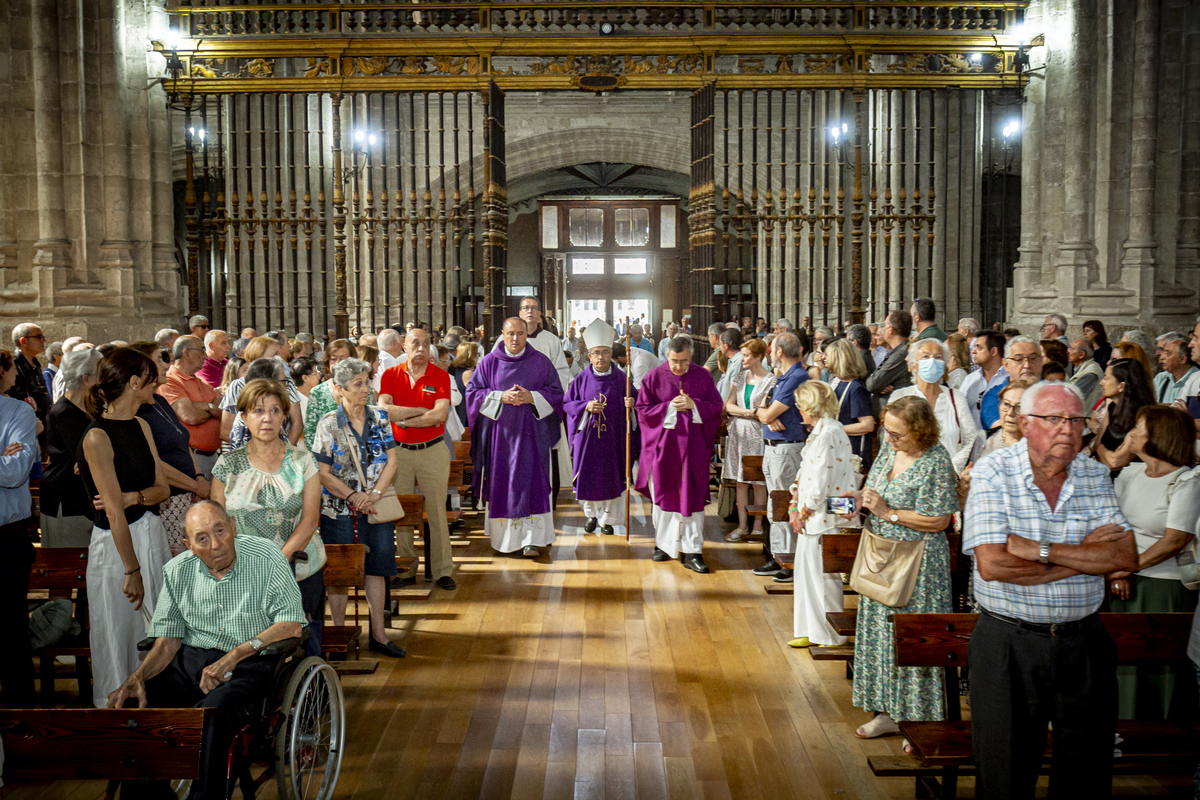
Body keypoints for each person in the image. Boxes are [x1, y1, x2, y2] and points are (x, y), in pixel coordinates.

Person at [963, 381, 1139, 799]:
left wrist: (1039, 551)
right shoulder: (994, 471)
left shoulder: (1094, 474)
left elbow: (1125, 558)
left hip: (1084, 643)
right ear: (1025, 423)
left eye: (1075, 420)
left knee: (1087, 774)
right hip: (1009, 642)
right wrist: (1084, 558)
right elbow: (993, 565)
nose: (1067, 429)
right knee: (1005, 775)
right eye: (1054, 419)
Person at [106, 501, 306, 800]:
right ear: (188, 545)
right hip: (193, 661)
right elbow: (168, 641)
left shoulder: (265, 556)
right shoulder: (177, 571)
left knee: (211, 714)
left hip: (252, 661)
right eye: (202, 538)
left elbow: (292, 625)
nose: (215, 545)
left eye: (220, 530)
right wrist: (137, 675)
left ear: (233, 526)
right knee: (139, 706)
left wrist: (236, 654)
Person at [840, 396, 958, 748]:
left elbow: (939, 520)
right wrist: (859, 499)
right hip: (882, 558)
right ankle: (888, 712)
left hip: (919, 565)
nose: (889, 439)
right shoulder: (890, 451)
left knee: (913, 639)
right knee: (882, 637)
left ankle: (919, 717)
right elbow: (876, 492)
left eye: (897, 434)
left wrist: (890, 512)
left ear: (920, 431)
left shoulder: (936, 461)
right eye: (888, 432)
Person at [78, 347, 172, 708]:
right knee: (118, 632)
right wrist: (131, 569)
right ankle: (115, 710)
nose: (158, 384)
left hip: (151, 533)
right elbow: (114, 514)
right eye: (151, 379)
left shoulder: (142, 424)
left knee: (158, 628)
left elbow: (162, 488)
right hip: (117, 547)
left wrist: (134, 496)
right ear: (134, 383)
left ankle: (156, 702)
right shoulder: (96, 437)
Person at [212, 379, 325, 654]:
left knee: (299, 636)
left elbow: (310, 520)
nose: (267, 418)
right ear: (243, 416)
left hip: (296, 565)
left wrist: (277, 562)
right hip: (242, 569)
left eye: (275, 410)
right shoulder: (228, 464)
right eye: (258, 411)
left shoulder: (302, 461)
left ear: (285, 416)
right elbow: (218, 522)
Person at [1106, 406, 1200, 719]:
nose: (1131, 431)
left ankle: (1166, 739)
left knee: (1163, 668)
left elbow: (1175, 539)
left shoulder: (1187, 479)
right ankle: (1125, 733)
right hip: (1125, 584)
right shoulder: (1131, 473)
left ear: (1157, 435)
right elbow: (1112, 525)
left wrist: (1127, 567)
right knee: (1123, 665)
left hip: (1165, 587)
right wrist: (1116, 573)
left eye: (1138, 426)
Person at [311, 357, 405, 657]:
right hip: (339, 509)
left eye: (367, 382)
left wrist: (374, 494)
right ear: (340, 390)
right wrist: (354, 497)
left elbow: (392, 459)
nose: (366, 389)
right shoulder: (328, 424)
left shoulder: (380, 417)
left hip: (376, 507)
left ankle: (379, 633)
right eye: (358, 384)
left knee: (376, 569)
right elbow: (322, 472)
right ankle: (340, 634)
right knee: (339, 574)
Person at [467, 317, 565, 557]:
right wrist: (500, 397)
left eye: (520, 334)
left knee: (533, 482)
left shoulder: (540, 362)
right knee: (504, 483)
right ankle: (506, 540)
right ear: (502, 333)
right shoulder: (489, 363)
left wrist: (533, 397)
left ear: (526, 335)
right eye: (510, 333)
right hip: (500, 438)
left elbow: (556, 393)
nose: (515, 338)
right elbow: (473, 393)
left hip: (533, 436)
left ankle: (533, 539)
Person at [635, 335, 723, 573]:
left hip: (693, 449)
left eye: (684, 361)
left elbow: (716, 407)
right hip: (665, 449)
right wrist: (668, 409)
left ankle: (693, 550)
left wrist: (694, 405)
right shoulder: (653, 377)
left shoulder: (702, 377)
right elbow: (642, 411)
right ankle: (663, 545)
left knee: (692, 498)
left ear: (691, 355)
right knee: (664, 496)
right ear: (667, 356)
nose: (678, 367)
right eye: (674, 361)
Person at [378, 328, 457, 589]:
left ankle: (443, 569)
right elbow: (383, 409)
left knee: (436, 511)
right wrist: (418, 412)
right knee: (401, 511)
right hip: (399, 452)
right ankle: (406, 569)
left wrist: (402, 419)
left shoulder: (441, 376)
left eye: (426, 344)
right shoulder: (391, 375)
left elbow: (439, 416)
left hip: (432, 450)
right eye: (415, 344)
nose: (421, 348)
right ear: (404, 346)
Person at [786, 381, 857, 649]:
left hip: (827, 515)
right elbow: (806, 471)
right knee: (807, 574)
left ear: (810, 405)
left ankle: (830, 633)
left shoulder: (829, 432)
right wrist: (795, 501)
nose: (798, 409)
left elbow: (820, 481)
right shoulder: (821, 430)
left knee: (824, 578)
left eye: (800, 404)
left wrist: (802, 512)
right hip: (816, 514)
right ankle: (810, 629)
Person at [130, 341, 208, 556]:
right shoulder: (137, 411)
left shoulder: (160, 401)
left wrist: (199, 477)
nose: (166, 365)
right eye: (158, 360)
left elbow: (183, 443)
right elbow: (152, 462)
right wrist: (194, 485)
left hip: (188, 494)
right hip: (168, 500)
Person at [563, 319, 637, 536]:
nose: (601, 357)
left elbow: (636, 400)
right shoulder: (580, 380)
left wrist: (631, 404)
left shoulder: (623, 378)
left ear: (610, 354)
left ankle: (608, 520)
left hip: (613, 440)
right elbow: (567, 404)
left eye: (605, 352)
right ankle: (591, 516)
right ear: (589, 356)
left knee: (612, 477)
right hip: (588, 440)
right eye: (596, 353)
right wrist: (585, 406)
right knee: (588, 477)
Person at [753, 332, 811, 582]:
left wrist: (763, 414)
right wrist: (765, 413)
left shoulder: (796, 377)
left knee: (785, 505)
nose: (769, 353)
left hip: (787, 448)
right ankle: (777, 555)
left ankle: (789, 560)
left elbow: (765, 413)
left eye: (771, 349)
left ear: (779, 352)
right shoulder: (785, 376)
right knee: (774, 506)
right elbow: (764, 406)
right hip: (774, 447)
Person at [0, 348, 39, 708]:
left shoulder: (17, 412)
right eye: (12, 367)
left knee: (11, 635)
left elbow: (14, 473)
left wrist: (5, 461)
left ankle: (21, 723)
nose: (17, 373)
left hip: (6, 543)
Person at [888, 339, 979, 474]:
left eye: (938, 357)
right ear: (914, 365)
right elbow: (890, 442)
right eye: (925, 356)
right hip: (908, 477)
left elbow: (970, 438)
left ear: (944, 365)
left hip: (949, 477)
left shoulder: (955, 398)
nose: (932, 361)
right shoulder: (900, 397)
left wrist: (952, 469)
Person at [40, 349, 102, 547]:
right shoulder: (63, 412)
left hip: (85, 497)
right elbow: (87, 457)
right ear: (85, 379)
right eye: (100, 373)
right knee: (70, 563)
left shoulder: (95, 407)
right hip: (66, 497)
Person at [722, 338, 775, 542]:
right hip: (738, 432)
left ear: (759, 357)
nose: (742, 359)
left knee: (757, 481)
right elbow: (729, 405)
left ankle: (758, 525)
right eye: (742, 355)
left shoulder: (771, 380)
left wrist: (749, 412)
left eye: (747, 355)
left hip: (757, 433)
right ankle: (742, 525)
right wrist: (748, 412)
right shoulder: (739, 377)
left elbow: (765, 410)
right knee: (740, 480)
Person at [159, 335, 224, 479]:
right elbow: (190, 417)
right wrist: (211, 406)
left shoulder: (202, 382)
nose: (206, 356)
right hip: (192, 459)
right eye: (201, 350)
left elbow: (223, 412)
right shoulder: (170, 380)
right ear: (186, 353)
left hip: (213, 457)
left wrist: (205, 407)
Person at [1092, 358, 1156, 472]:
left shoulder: (1143, 417)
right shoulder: (1112, 407)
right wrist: (1107, 453)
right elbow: (1098, 443)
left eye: (1106, 378)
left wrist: (1101, 450)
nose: (1101, 382)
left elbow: (1116, 462)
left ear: (1121, 386)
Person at [826, 338, 876, 472]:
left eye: (828, 356)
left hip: (850, 452)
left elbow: (867, 425)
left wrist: (835, 428)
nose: (824, 359)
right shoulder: (837, 382)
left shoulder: (855, 388)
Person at [304, 338, 356, 445]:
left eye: (343, 358)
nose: (337, 363)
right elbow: (310, 432)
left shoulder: (363, 389)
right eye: (333, 359)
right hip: (326, 456)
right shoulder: (317, 392)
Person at [9, 322, 51, 445]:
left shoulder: (35, 364)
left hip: (42, 427)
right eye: (39, 337)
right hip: (24, 429)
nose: (43, 340)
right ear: (24, 341)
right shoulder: (12, 365)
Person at [865, 311, 914, 407]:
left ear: (891, 330)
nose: (883, 329)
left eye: (885, 326)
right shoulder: (898, 351)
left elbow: (873, 384)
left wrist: (878, 384)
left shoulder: (901, 353)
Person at [979, 378, 1037, 457]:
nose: (1010, 413)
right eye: (1006, 404)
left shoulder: (1041, 447)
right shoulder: (983, 442)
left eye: (1019, 407)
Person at [1154, 335, 1200, 403]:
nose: (1162, 357)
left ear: (1182, 359)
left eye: (1168, 353)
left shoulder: (1195, 379)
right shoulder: (1161, 378)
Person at [290, 355, 322, 438]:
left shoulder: (319, 394)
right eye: (315, 372)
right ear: (305, 378)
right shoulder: (292, 399)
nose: (319, 373)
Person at [1067, 338, 1104, 410]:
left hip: (1086, 418)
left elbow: (1072, 399)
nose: (1068, 351)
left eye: (1071, 349)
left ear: (1081, 355)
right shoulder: (1084, 368)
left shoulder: (1090, 373)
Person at [449, 342, 478, 429]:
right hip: (466, 414)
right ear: (471, 356)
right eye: (476, 354)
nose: (477, 357)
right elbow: (475, 395)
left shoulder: (457, 370)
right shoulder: (468, 373)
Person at [714, 327, 745, 400]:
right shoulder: (733, 361)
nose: (720, 347)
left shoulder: (739, 362)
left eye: (720, 343)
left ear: (726, 345)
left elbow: (733, 392)